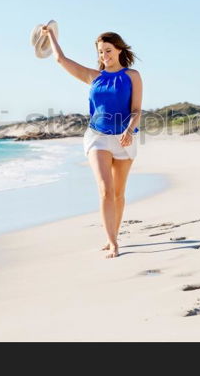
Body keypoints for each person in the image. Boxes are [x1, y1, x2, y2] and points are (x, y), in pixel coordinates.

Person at [42, 25, 143, 258]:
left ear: (118, 50)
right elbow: (60, 59)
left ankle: (113, 236)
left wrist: (129, 129)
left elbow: (137, 109)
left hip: (125, 138)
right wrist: (50, 35)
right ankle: (113, 242)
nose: (104, 56)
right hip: (96, 137)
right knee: (106, 191)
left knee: (118, 194)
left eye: (108, 50)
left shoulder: (132, 76)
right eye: (100, 52)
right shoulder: (93, 77)